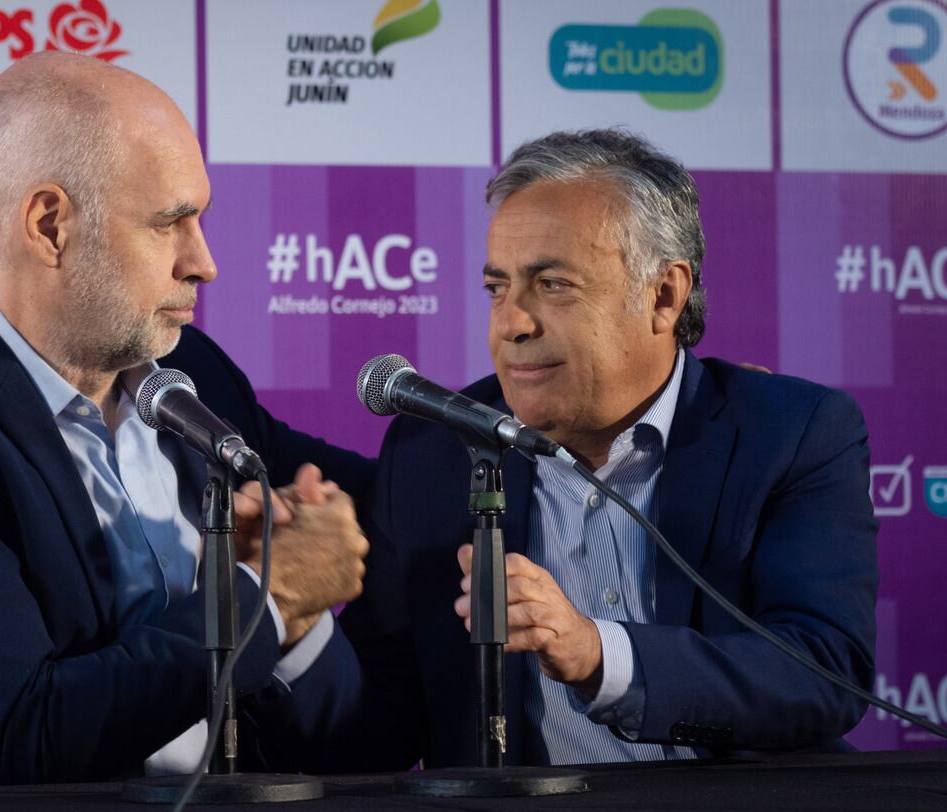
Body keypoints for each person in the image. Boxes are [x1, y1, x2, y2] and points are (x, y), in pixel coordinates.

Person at [0, 53, 372, 791]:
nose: (204, 262)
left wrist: (292, 615)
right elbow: (10, 737)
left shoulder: (189, 373)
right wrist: (266, 599)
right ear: (50, 227)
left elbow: (345, 735)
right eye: (171, 223)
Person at [338, 129, 878, 768]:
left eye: (554, 284)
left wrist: (597, 653)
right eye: (497, 288)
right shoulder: (432, 450)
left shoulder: (792, 434)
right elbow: (375, 726)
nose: (512, 323)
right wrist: (292, 634)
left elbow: (822, 671)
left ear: (663, 296)